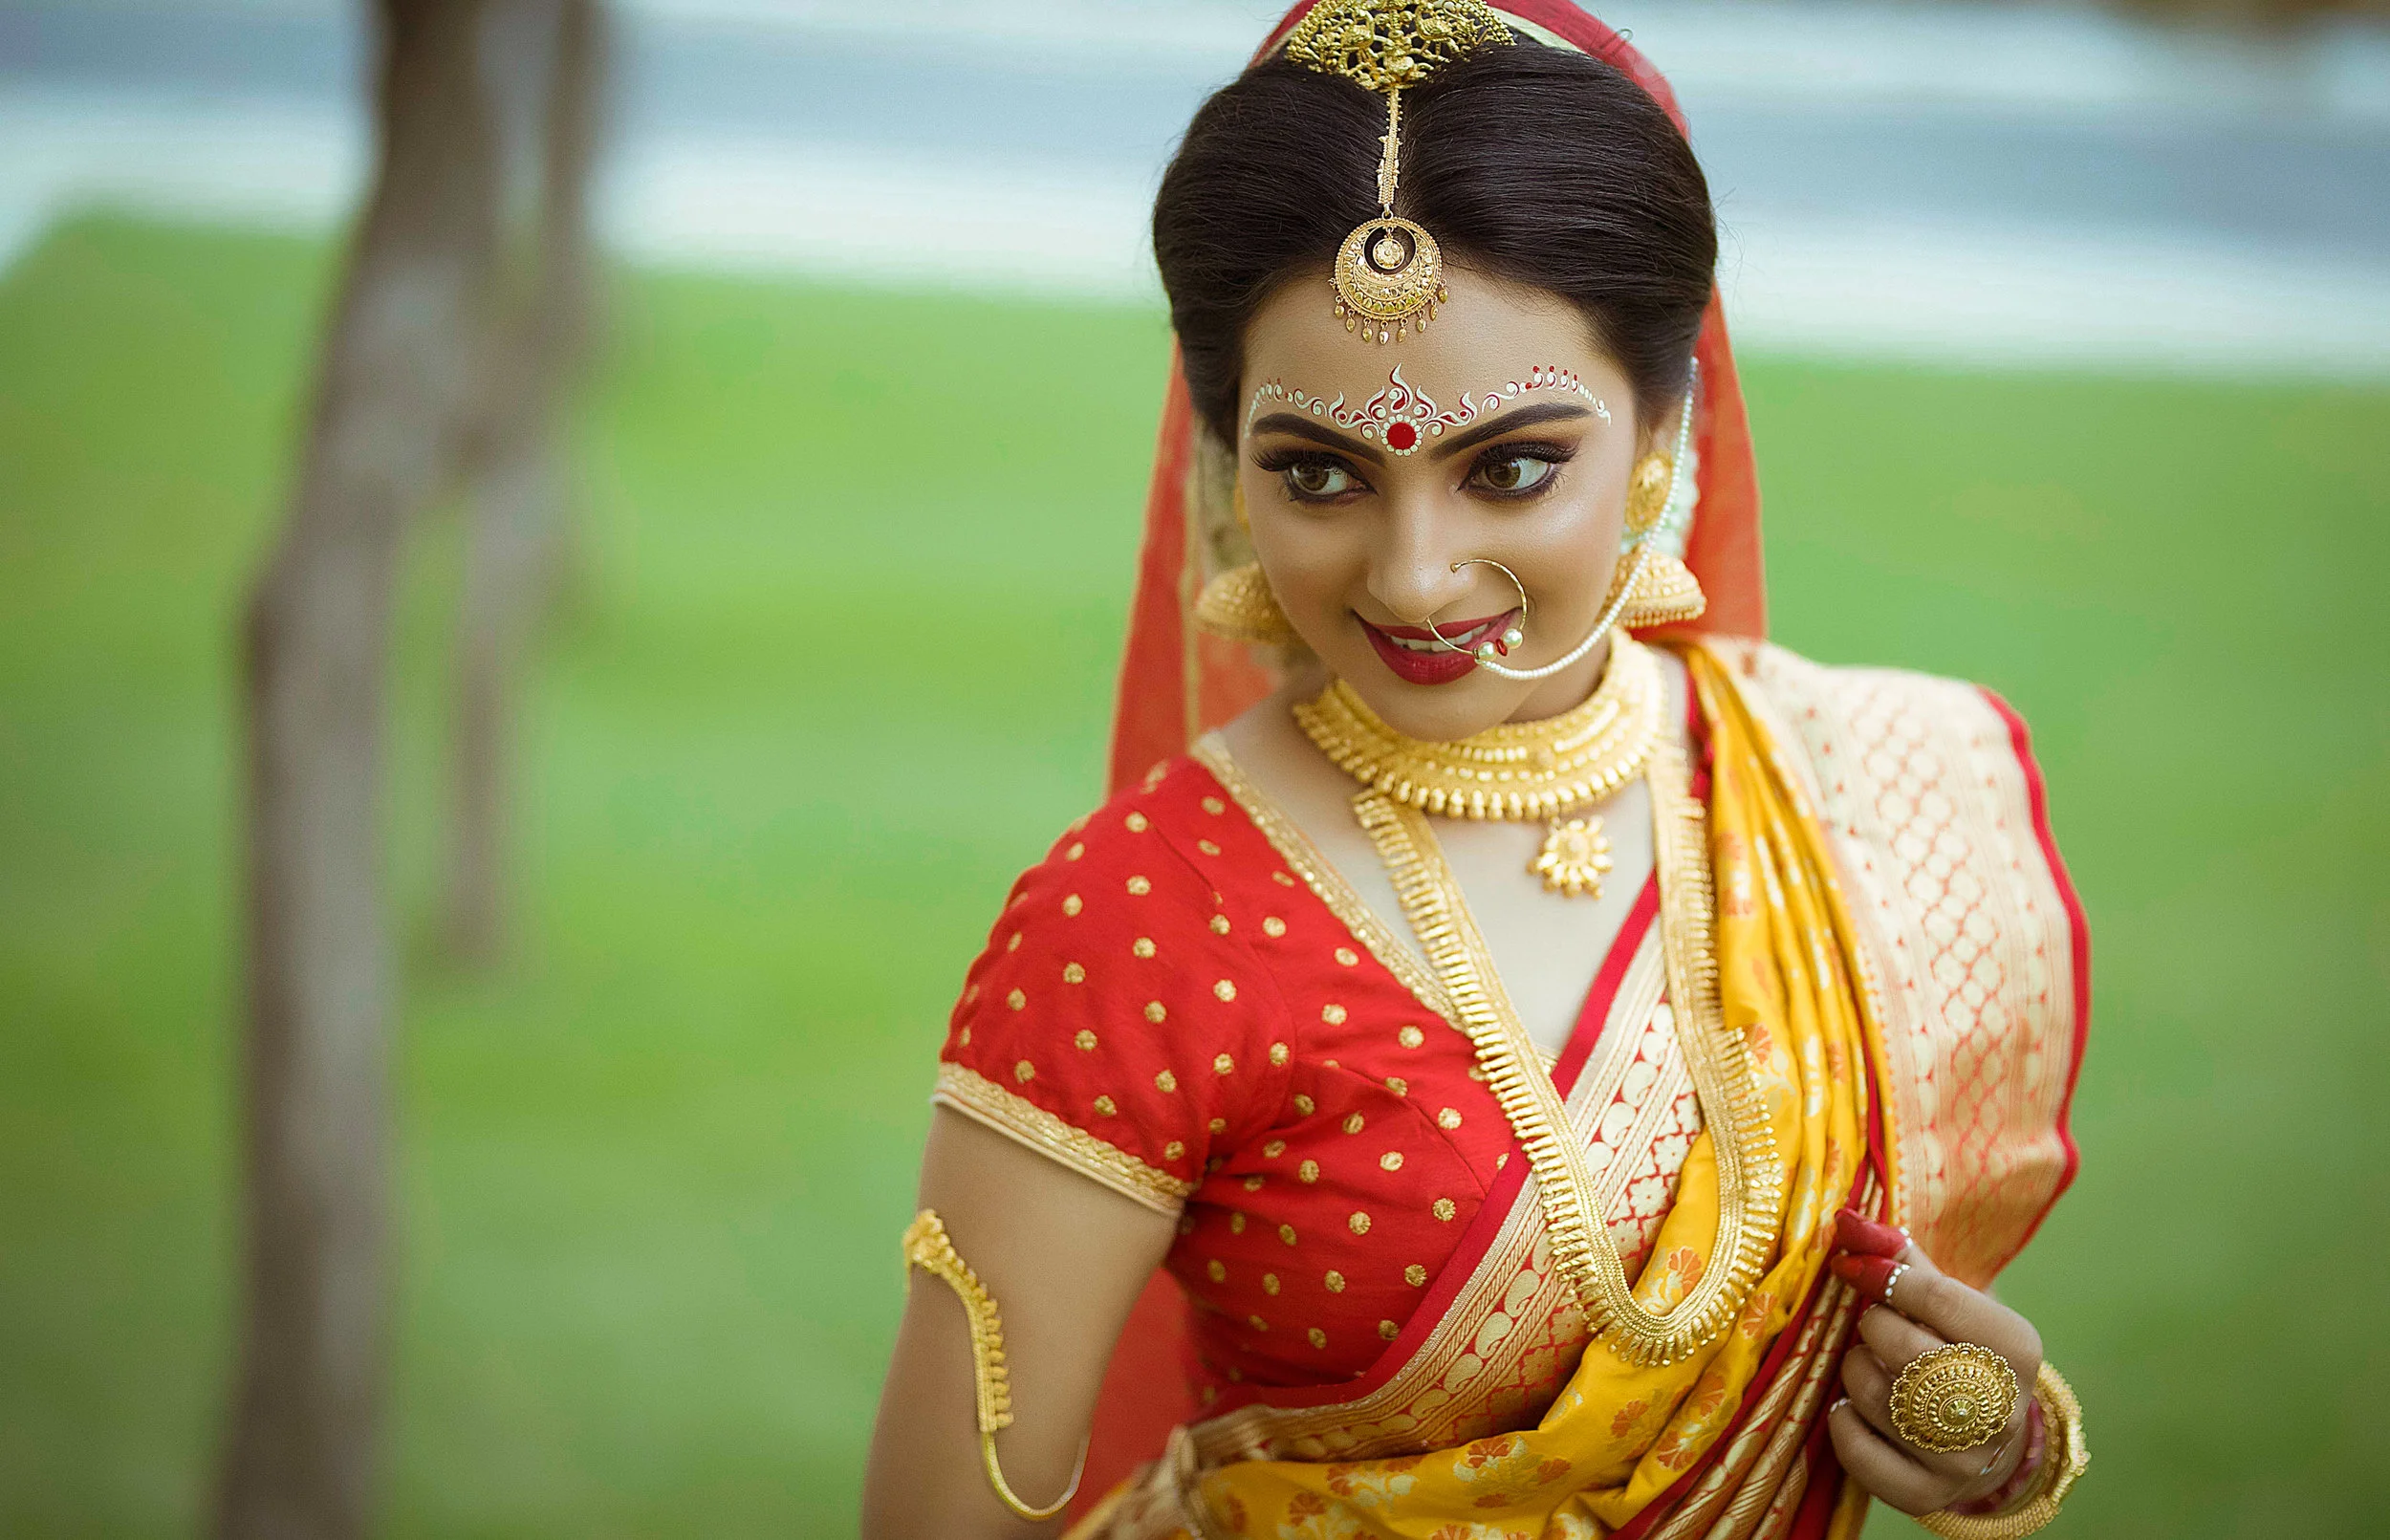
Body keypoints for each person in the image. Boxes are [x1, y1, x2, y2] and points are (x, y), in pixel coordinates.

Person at [861, 4, 2090, 1536]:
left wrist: (1989, 1438)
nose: (1418, 575)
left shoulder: (1873, 790)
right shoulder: (1137, 919)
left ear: (1664, 424)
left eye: (1510, 465)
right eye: (1320, 472)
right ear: (1227, 457)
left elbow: (1875, 1353)